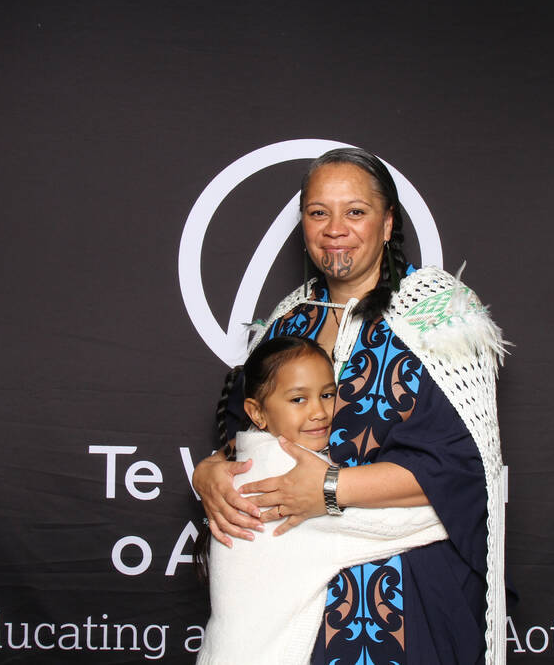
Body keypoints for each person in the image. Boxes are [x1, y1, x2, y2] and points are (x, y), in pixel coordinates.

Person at [193, 147, 509, 665]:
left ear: (387, 224)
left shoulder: (441, 317)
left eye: (355, 212)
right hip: (293, 612)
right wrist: (208, 473)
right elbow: (241, 439)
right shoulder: (286, 323)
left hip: (409, 603)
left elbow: (467, 468)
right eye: (319, 212)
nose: (335, 228)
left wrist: (329, 489)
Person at [196, 335, 449, 665]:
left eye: (327, 395)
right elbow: (406, 525)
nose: (319, 412)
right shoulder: (281, 482)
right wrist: (460, 488)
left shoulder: (247, 465)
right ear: (256, 413)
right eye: (298, 399)